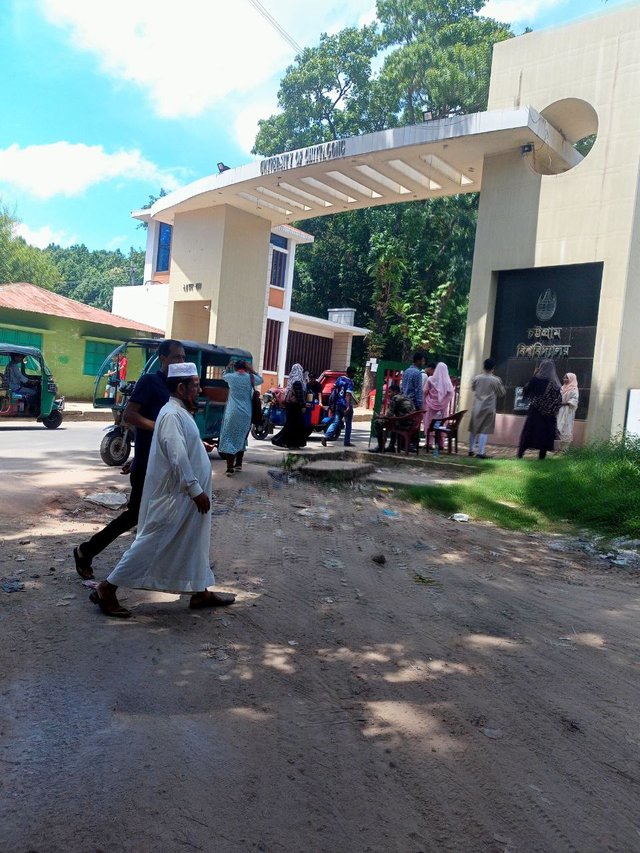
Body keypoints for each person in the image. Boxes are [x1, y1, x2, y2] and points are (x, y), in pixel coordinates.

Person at [88, 362, 235, 618]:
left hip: (186, 497)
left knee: (194, 541)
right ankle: (107, 588)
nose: (199, 391)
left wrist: (198, 451)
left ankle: (200, 591)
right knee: (151, 542)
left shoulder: (177, 413)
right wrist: (194, 489)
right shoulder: (171, 414)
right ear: (181, 387)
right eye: (195, 386)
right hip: (176, 497)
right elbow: (177, 456)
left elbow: (182, 447)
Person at [73, 339, 186, 580]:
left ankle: (165, 570)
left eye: (183, 357)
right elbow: (130, 415)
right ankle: (87, 552)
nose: (180, 361)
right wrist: (158, 428)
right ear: (162, 358)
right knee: (135, 516)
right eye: (176, 357)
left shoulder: (177, 386)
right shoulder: (150, 382)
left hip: (165, 464)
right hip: (148, 463)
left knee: (161, 517)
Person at [219, 359, 263, 476]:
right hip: (246, 413)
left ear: (235, 367)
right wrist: (252, 370)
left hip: (232, 412)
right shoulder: (250, 378)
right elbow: (261, 380)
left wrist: (228, 366)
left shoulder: (231, 377)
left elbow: (223, 374)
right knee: (242, 437)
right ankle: (238, 463)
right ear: (246, 367)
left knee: (229, 437)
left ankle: (229, 468)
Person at [517, 359, 562, 460]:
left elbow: (525, 393)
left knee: (529, 432)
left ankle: (520, 454)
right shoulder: (555, 384)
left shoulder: (535, 380)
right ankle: (542, 457)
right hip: (549, 415)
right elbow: (558, 401)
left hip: (535, 412)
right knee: (545, 435)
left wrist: (534, 376)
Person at [468, 358, 505, 459]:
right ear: (493, 368)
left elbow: (473, 388)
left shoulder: (477, 378)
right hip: (489, 408)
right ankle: (481, 452)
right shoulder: (496, 380)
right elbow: (501, 393)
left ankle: (471, 450)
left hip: (477, 407)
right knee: (485, 430)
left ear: (483, 366)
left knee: (473, 429)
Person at [369, 383, 415, 452]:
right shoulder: (405, 397)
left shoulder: (395, 398)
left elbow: (389, 415)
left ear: (395, 392)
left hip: (403, 424)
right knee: (393, 422)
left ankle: (380, 446)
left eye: (390, 392)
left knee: (377, 423)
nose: (388, 394)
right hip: (412, 424)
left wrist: (380, 417)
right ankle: (391, 446)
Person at [272, 363, 308, 449]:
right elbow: (299, 395)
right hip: (295, 406)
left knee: (292, 424)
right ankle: (290, 443)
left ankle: (289, 443)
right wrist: (303, 406)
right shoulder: (298, 382)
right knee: (295, 425)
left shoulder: (292, 380)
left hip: (290, 406)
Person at [321, 366, 357, 447]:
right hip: (345, 405)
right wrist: (348, 406)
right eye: (354, 373)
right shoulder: (350, 382)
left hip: (338, 404)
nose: (354, 375)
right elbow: (348, 394)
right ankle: (347, 442)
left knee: (336, 422)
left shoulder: (339, 379)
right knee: (348, 424)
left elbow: (334, 390)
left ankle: (326, 436)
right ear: (351, 373)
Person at [423, 362, 454, 450]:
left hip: (430, 406)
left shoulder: (430, 379)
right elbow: (451, 393)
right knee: (441, 423)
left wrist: (429, 398)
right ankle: (441, 444)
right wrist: (443, 402)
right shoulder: (448, 383)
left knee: (429, 423)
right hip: (442, 408)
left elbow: (425, 391)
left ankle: (429, 443)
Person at [557, 372, 579, 451]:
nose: (565, 379)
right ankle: (559, 448)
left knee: (567, 428)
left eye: (567, 378)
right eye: (564, 378)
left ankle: (565, 449)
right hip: (560, 411)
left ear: (571, 379)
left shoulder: (574, 389)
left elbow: (575, 400)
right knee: (559, 427)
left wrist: (566, 403)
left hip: (568, 411)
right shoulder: (562, 388)